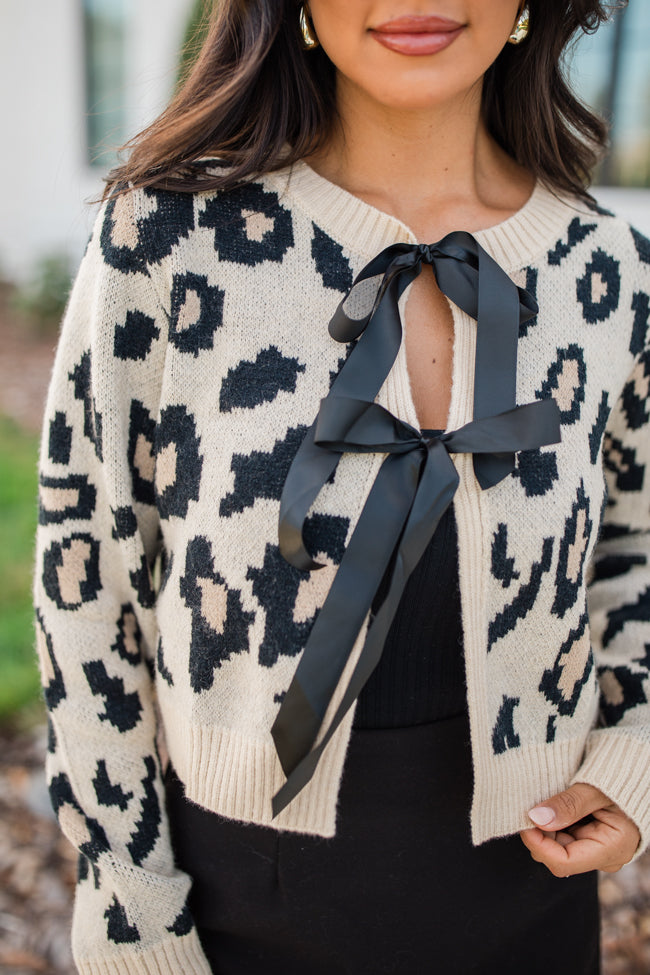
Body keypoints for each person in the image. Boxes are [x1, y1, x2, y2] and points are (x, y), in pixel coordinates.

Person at [33, 0, 650, 972]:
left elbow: (632, 549)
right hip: (235, 906)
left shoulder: (606, 276)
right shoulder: (164, 243)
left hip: (531, 897)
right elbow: (85, 587)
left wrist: (630, 760)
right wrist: (133, 920)